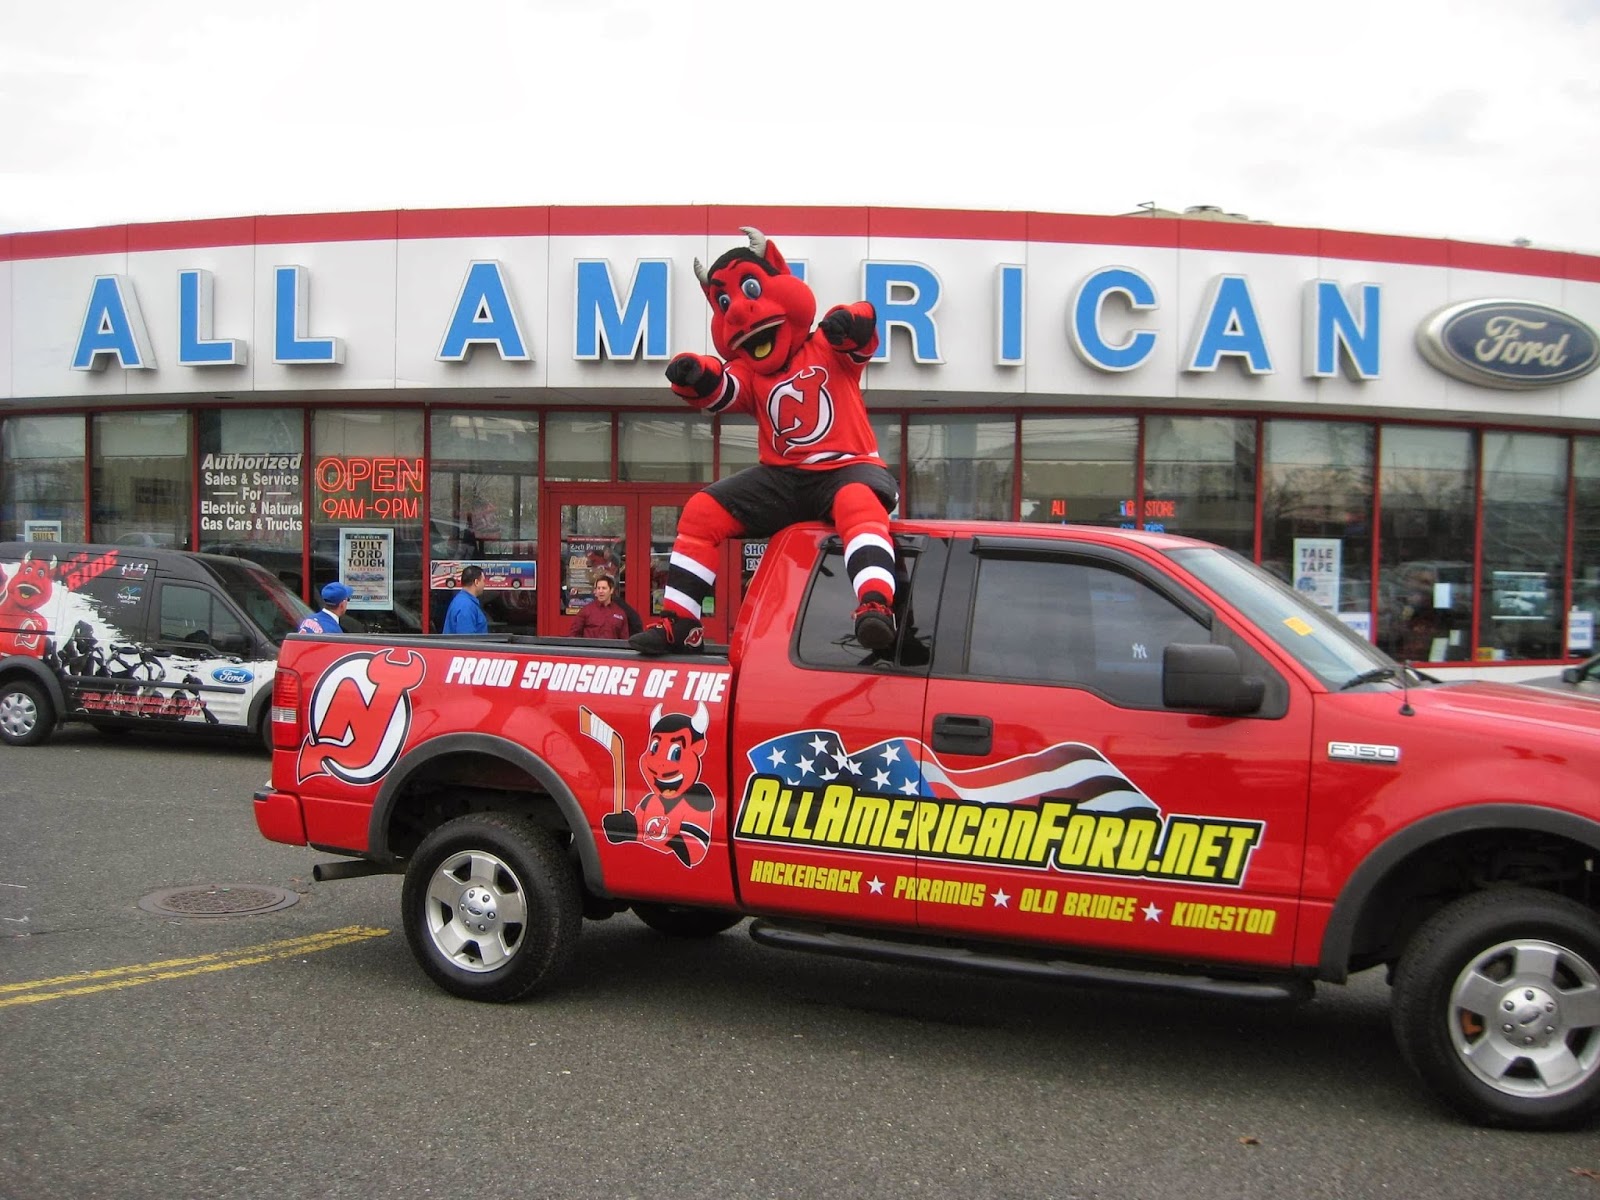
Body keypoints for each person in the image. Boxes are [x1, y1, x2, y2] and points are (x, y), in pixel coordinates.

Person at [630, 227, 897, 656]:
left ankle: (876, 605)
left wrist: (851, 318)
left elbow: (862, 331)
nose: (737, 312)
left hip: (847, 467)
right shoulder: (752, 375)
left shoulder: (826, 348)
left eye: (749, 288)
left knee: (855, 504)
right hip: (785, 479)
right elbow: (722, 389)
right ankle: (682, 622)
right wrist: (695, 372)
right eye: (723, 303)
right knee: (701, 512)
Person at [570, 574, 631, 639]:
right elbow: (574, 635)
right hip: (591, 648)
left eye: (604, 588)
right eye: (598, 588)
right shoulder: (586, 611)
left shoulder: (620, 613)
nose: (600, 591)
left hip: (611, 648)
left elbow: (624, 640)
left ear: (611, 590)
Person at [441, 564, 489, 634]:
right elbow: (467, 641)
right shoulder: (466, 606)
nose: (484, 584)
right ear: (476, 582)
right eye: (483, 581)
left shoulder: (462, 601)